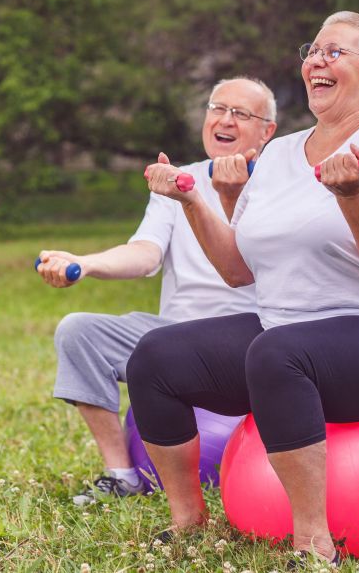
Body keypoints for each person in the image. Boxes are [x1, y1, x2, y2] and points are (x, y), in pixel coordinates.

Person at [130, 11, 359, 565]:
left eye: (335, 51)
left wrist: (352, 194)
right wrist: (190, 201)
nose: (316, 61)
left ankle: (312, 540)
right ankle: (187, 519)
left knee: (278, 354)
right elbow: (239, 270)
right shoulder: (278, 154)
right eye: (313, 50)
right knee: (157, 357)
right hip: (285, 335)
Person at [37, 77, 277, 505]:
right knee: (78, 331)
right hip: (172, 336)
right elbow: (145, 253)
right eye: (216, 108)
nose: (224, 120)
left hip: (248, 343)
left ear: (267, 131)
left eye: (241, 113)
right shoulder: (178, 180)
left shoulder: (280, 185)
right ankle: (121, 473)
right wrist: (86, 264)